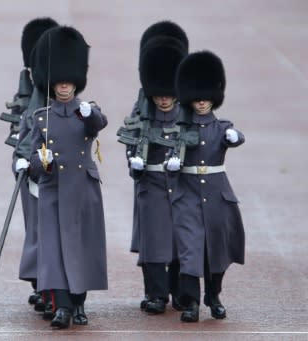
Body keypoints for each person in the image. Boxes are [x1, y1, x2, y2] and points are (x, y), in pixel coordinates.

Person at [28, 26, 108, 329]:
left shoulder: (88, 112)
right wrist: (40, 162)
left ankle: (79, 303)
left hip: (81, 188)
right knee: (53, 249)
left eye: (68, 82)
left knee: (81, 247)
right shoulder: (41, 117)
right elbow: (32, 159)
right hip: (53, 189)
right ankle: (62, 307)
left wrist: (89, 113)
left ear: (76, 83)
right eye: (59, 82)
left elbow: (97, 126)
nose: (64, 87)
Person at [116, 20, 189, 312]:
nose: (164, 100)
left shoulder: (188, 107)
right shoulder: (142, 109)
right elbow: (131, 135)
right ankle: (157, 294)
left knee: (183, 239)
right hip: (152, 183)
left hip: (182, 182)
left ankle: (182, 292)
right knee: (155, 241)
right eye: (160, 95)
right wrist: (133, 158)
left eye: (168, 95)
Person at [171, 50, 245, 322]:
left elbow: (236, 138)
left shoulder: (222, 127)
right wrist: (172, 164)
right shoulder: (181, 128)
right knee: (190, 249)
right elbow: (173, 154)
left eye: (206, 99)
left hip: (216, 195)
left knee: (217, 249)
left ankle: (213, 296)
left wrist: (234, 136)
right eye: (197, 99)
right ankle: (191, 302)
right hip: (187, 193)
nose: (201, 103)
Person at [10, 17, 59, 312]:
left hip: (58, 171)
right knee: (36, 229)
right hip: (31, 170)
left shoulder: (61, 91)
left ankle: (53, 288)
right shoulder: (26, 90)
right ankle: (41, 285)